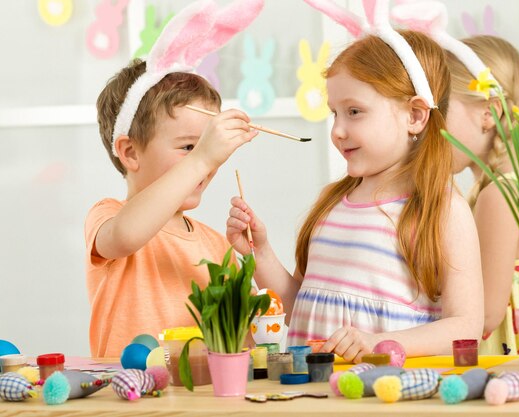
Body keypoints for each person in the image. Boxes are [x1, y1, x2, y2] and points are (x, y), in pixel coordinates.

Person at [227, 30, 483, 362]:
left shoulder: (442, 211)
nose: (337, 130)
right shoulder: (332, 205)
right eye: (335, 112)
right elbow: (303, 307)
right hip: (312, 397)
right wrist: (260, 254)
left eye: (355, 112)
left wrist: (378, 343)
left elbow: (465, 326)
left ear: (415, 115)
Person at [86, 58, 257, 357]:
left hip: (200, 399)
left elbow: (243, 343)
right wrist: (202, 158)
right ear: (130, 153)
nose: (208, 162)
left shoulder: (217, 246)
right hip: (127, 397)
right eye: (189, 147)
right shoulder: (108, 216)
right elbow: (126, 235)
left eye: (209, 148)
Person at [446, 35, 519, 355]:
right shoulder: (505, 186)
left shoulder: (499, 195)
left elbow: (485, 314)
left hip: (500, 360)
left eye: (440, 108)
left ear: (489, 113)